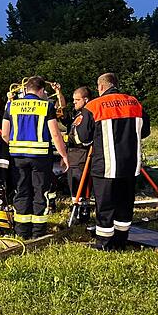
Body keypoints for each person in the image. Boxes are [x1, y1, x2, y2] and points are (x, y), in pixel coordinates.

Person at [76, 73, 150, 250]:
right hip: (131, 165)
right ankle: (121, 240)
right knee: (125, 204)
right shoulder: (134, 103)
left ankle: (104, 243)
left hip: (106, 166)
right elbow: (145, 131)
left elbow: (83, 138)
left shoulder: (94, 106)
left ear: (101, 87)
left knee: (105, 206)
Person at [2, 76, 69, 239]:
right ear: (41, 90)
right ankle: (38, 232)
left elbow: (4, 134)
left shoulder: (11, 105)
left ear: (26, 89)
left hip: (17, 157)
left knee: (21, 191)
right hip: (40, 157)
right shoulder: (46, 106)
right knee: (40, 192)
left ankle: (22, 231)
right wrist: (64, 155)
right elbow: (55, 133)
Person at [64, 86, 93, 223]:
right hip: (74, 155)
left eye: (77, 100)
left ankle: (80, 214)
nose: (74, 102)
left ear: (86, 99)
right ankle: (79, 211)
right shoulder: (78, 114)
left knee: (79, 185)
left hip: (80, 155)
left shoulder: (86, 115)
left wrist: (63, 138)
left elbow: (82, 138)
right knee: (74, 185)